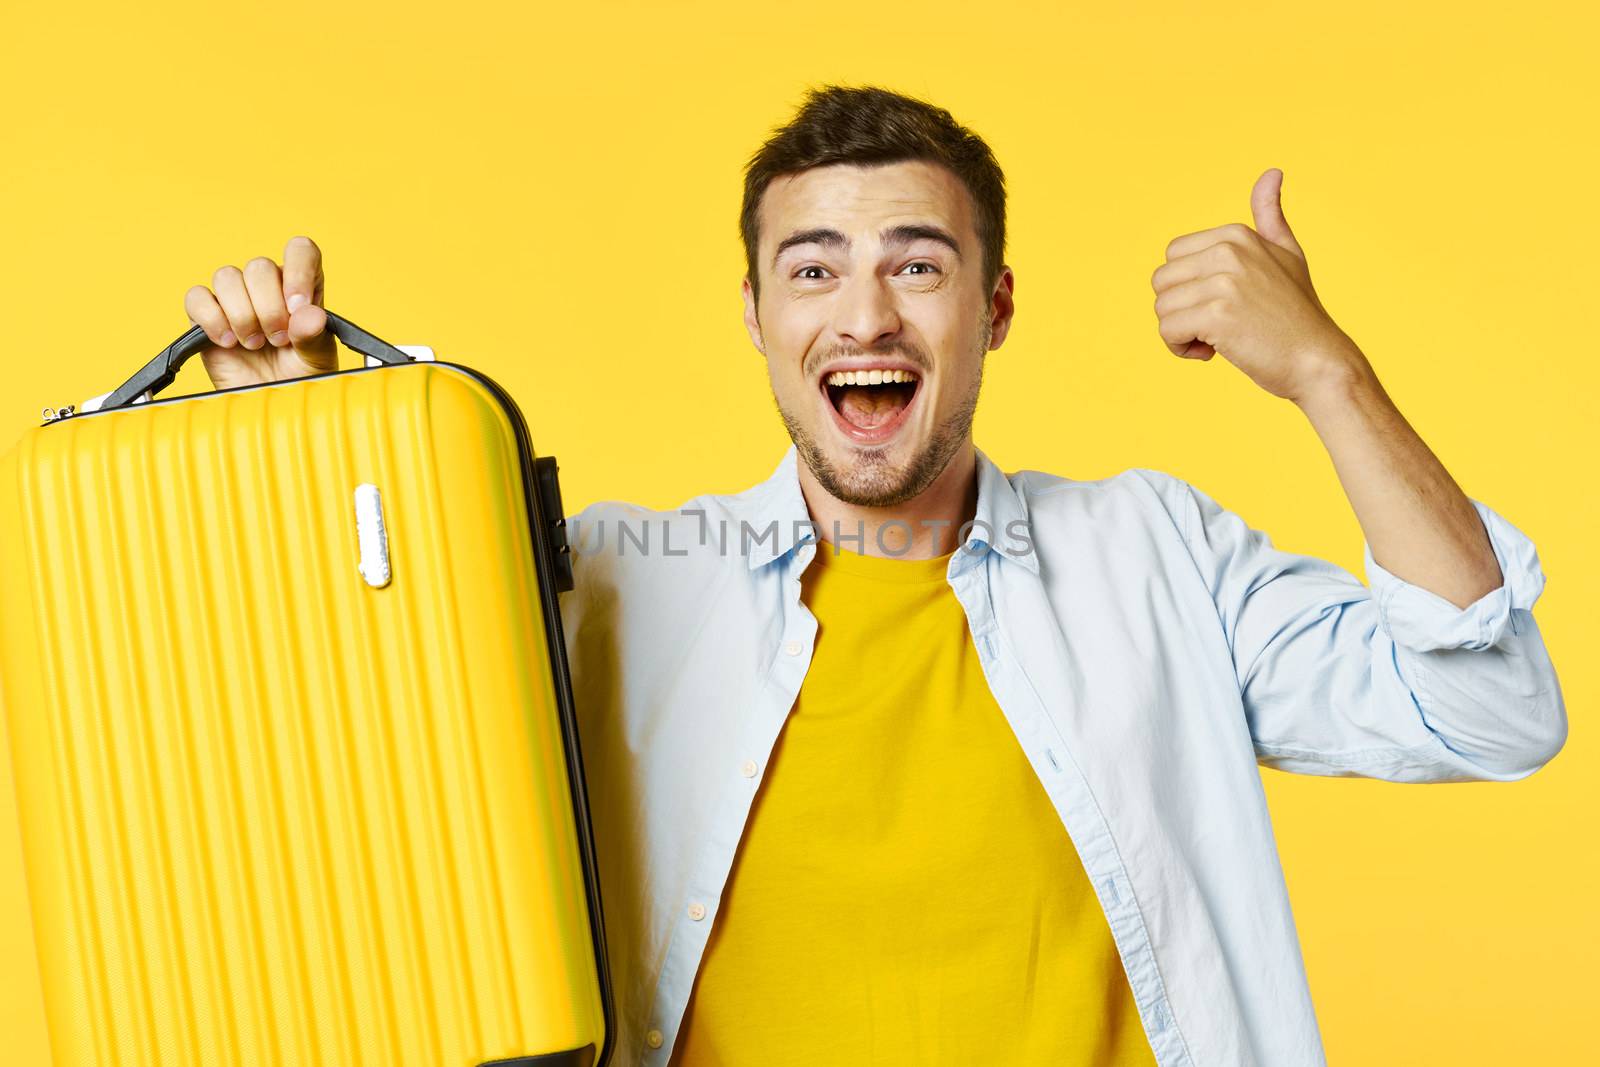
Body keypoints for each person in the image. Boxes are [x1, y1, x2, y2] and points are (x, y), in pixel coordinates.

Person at [179, 85, 1566, 1067]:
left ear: (995, 306)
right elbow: (343, 765)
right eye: (814, 268)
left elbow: (1491, 712)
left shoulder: (1157, 556)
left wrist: (1327, 372)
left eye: (919, 265)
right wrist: (305, 442)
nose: (866, 314)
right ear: (756, 315)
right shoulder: (612, 584)